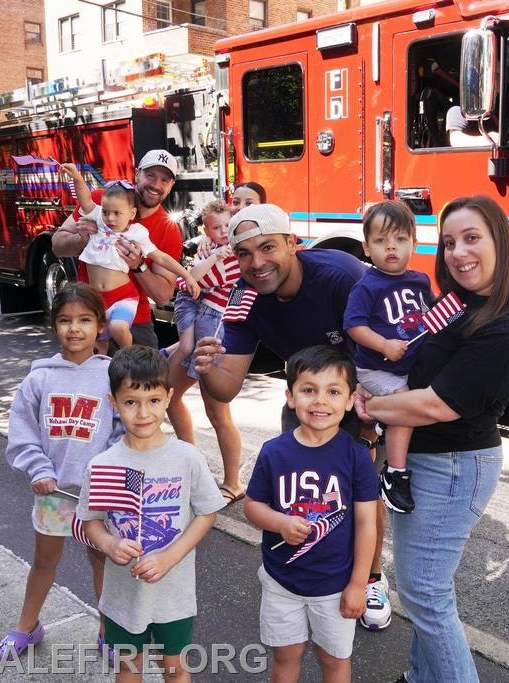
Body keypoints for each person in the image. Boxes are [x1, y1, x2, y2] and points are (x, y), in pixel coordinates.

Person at [355, 195, 509, 683]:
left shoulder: (506, 325)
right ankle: (419, 677)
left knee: (425, 595)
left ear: (500, 239)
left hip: (456, 466)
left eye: (472, 238)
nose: (458, 253)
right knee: (423, 588)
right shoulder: (455, 301)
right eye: (451, 242)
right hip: (427, 460)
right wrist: (362, 380)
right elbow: (409, 347)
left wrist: (369, 407)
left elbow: (436, 404)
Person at [192, 203, 395, 631]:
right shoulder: (245, 298)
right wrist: (207, 369)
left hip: (362, 393)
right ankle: (307, 572)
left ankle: (371, 578)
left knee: (363, 494)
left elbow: (389, 342)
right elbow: (226, 387)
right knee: (302, 491)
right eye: (243, 253)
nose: (256, 263)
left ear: (292, 243)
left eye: (267, 247)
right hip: (303, 401)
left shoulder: (340, 275)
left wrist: (371, 411)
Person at [75, 345, 224, 683]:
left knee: (174, 667)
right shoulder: (103, 465)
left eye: (153, 401)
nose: (143, 413)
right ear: (113, 402)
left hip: (174, 593)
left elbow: (207, 513)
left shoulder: (187, 458)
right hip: (122, 595)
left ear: (169, 397)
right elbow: (91, 521)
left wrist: (170, 557)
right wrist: (110, 545)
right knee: (128, 667)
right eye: (131, 402)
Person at [0, 283, 117, 663]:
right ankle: (27, 627)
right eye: (65, 320)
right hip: (54, 496)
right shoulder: (39, 379)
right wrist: (38, 468)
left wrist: (109, 470)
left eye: (84, 319)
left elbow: (126, 427)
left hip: (99, 496)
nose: (74, 328)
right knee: (45, 561)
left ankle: (107, 631)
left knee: (102, 563)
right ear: (53, 325)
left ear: (100, 325)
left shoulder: (113, 375)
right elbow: (22, 431)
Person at [243, 345, 378, 683]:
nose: (320, 401)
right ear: (290, 397)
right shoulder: (274, 452)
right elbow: (252, 505)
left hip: (336, 584)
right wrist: (280, 522)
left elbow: (366, 524)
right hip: (281, 582)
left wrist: (359, 584)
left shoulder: (357, 457)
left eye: (333, 392)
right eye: (308, 390)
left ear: (349, 401)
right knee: (286, 657)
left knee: (333, 660)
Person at [344, 201, 431, 514]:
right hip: (376, 369)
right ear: (367, 248)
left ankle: (384, 420)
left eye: (400, 240)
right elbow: (353, 326)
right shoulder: (368, 285)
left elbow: (428, 316)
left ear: (414, 243)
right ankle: (394, 474)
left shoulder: (420, 281)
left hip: (408, 366)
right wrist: (382, 344)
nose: (391, 247)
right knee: (405, 403)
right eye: (381, 241)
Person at [52, 149, 186, 349]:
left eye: (164, 180)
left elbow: (163, 296)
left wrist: (138, 266)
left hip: (133, 321)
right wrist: (81, 239)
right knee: (85, 379)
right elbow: (57, 245)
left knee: (144, 378)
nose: (156, 185)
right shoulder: (101, 201)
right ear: (137, 173)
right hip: (87, 313)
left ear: (171, 185)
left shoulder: (169, 230)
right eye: (150, 175)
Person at [165, 200, 245, 504]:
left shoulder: (232, 258)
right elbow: (189, 281)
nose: (223, 232)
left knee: (217, 412)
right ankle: (195, 471)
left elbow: (191, 282)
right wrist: (207, 254)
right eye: (216, 227)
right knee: (174, 397)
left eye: (227, 225)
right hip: (207, 322)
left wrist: (204, 262)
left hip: (214, 325)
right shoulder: (217, 249)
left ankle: (232, 483)